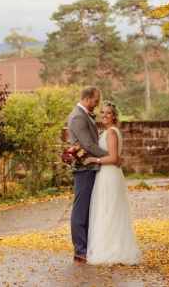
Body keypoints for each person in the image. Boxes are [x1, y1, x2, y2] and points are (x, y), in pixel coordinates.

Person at [82, 100, 143, 265]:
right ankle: (108, 246)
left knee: (109, 210)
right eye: (102, 112)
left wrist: (92, 159)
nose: (104, 115)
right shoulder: (108, 132)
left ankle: (113, 250)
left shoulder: (111, 133)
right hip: (106, 173)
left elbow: (113, 158)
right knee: (107, 210)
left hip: (109, 174)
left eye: (108, 113)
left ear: (114, 115)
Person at [67, 86, 110, 263]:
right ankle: (80, 249)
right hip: (84, 169)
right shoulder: (77, 116)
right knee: (80, 210)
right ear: (87, 98)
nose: (97, 104)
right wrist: (110, 157)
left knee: (87, 210)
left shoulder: (84, 115)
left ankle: (86, 247)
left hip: (89, 168)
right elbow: (88, 145)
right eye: (95, 101)